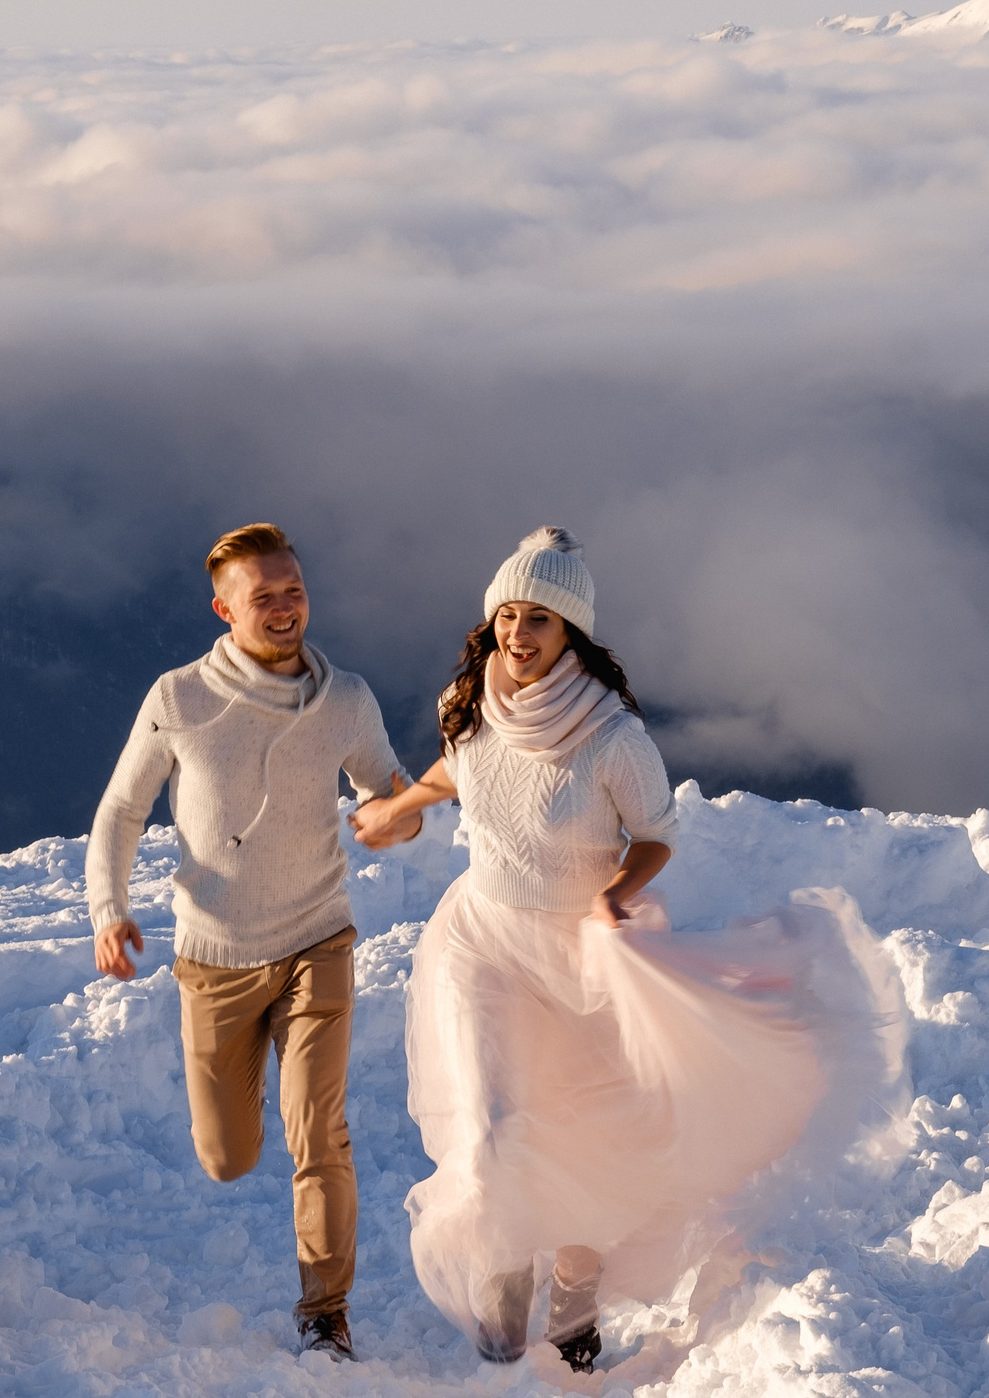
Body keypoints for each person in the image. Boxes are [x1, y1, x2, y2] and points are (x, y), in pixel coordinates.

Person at [352, 526, 904, 1370]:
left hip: (580, 956)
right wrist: (400, 806)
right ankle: (504, 1279)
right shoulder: (472, 701)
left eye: (539, 617)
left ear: (571, 630)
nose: (519, 633)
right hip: (482, 944)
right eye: (509, 613)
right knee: (494, 1126)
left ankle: (573, 1305)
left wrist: (618, 889)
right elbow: (456, 772)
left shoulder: (612, 738)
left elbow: (657, 833)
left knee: (585, 1133)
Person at [86, 523, 418, 1363]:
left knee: (322, 1131)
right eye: (262, 595)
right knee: (229, 1158)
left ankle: (326, 1312)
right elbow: (123, 811)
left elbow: (392, 794)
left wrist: (395, 818)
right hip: (215, 959)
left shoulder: (346, 698)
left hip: (318, 938)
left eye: (293, 589)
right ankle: (245, 1113)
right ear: (224, 607)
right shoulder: (180, 698)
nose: (283, 606)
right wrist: (108, 909)